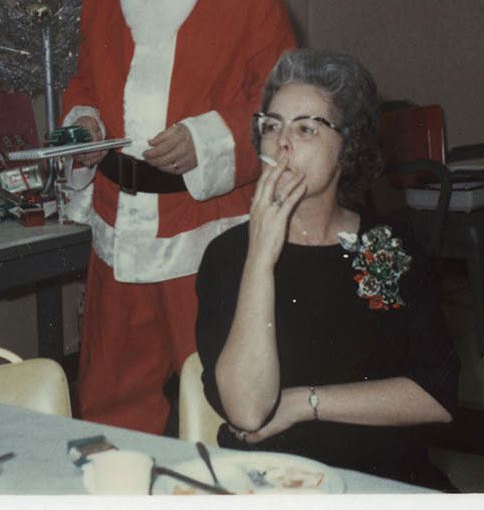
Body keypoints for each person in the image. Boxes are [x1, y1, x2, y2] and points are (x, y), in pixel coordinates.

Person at [60, 0, 296, 434]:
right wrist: (82, 121)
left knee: (220, 394)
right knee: (111, 398)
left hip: (207, 231)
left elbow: (282, 108)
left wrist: (208, 139)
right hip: (117, 225)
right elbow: (86, 83)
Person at [194, 49, 460, 491]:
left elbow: (437, 395)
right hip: (274, 483)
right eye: (272, 126)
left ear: (348, 148)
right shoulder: (228, 255)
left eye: (305, 129)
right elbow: (247, 412)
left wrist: (303, 403)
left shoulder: (388, 245)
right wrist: (260, 255)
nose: (282, 143)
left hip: (384, 477)